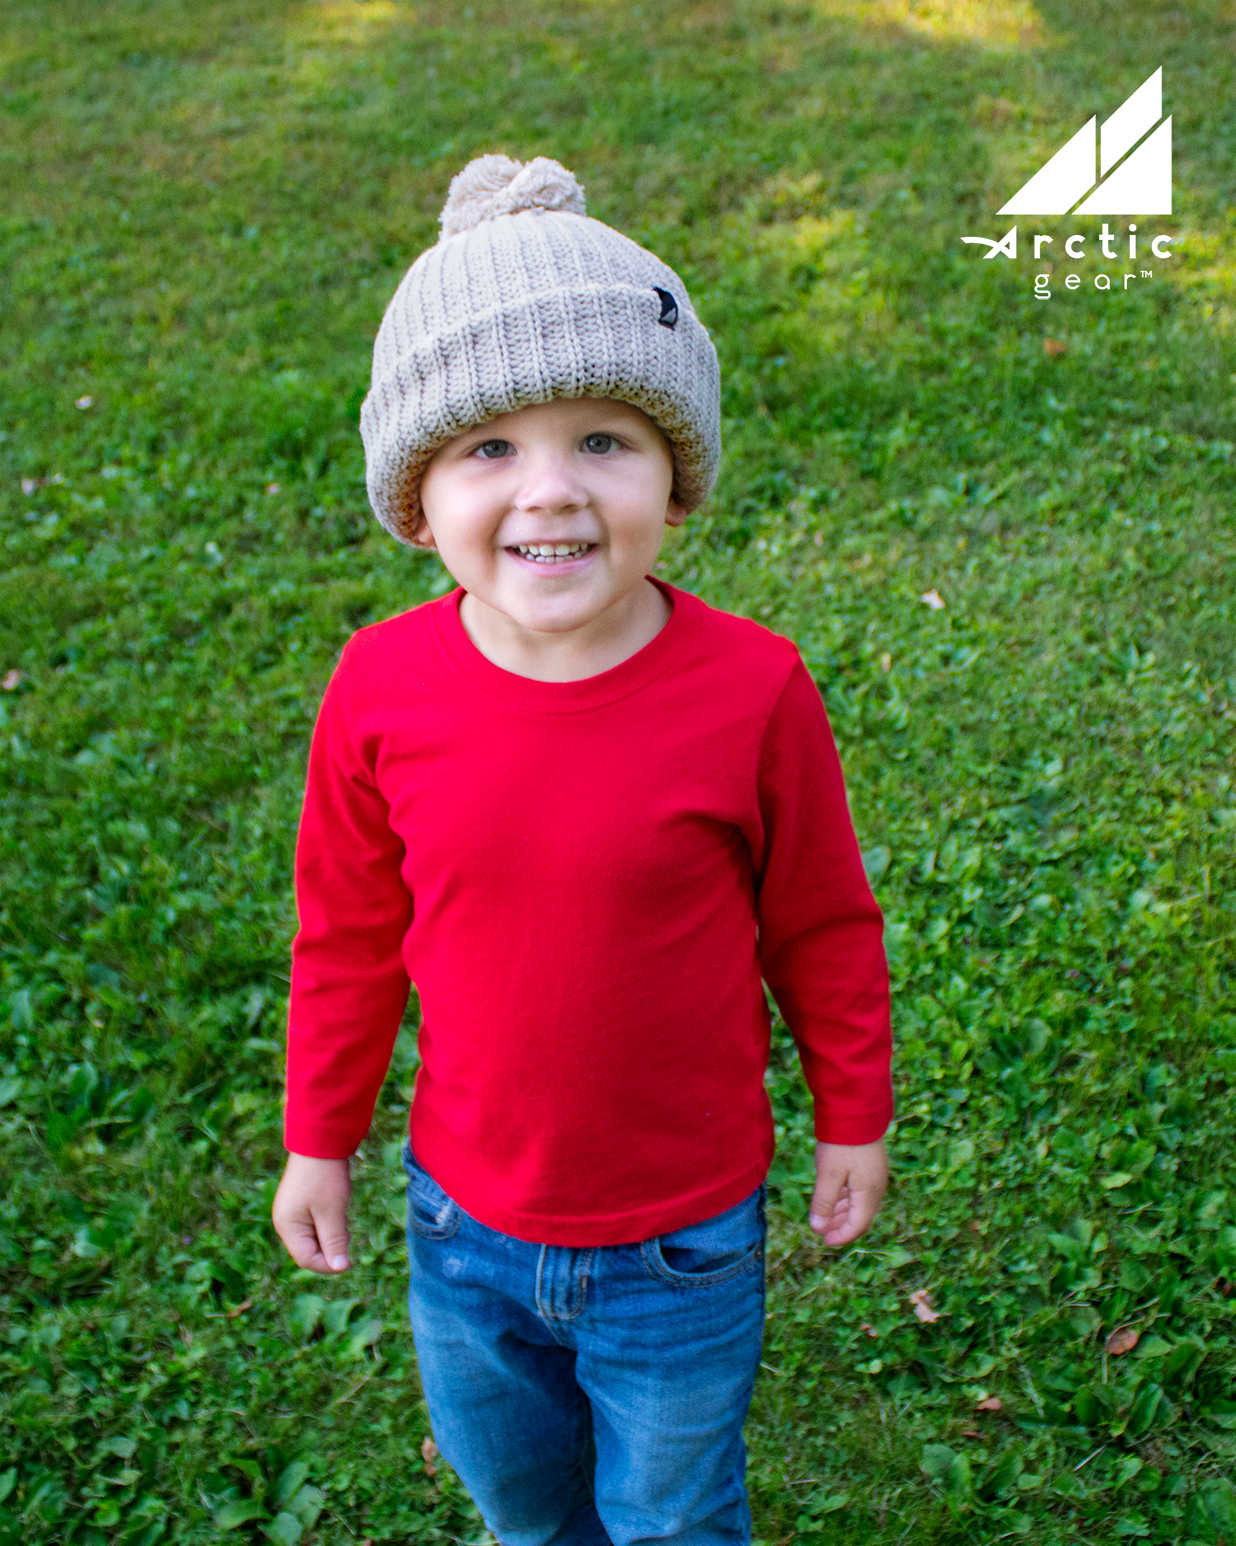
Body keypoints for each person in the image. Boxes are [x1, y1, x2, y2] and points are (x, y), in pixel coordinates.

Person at [272, 153, 893, 1546]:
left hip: (682, 1242)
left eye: (604, 439)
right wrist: (323, 1138)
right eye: (490, 448)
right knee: (527, 1509)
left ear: (677, 479)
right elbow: (350, 937)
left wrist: (854, 1111)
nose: (549, 491)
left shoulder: (751, 691)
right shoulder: (379, 691)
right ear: (416, 497)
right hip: (465, 1232)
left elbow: (821, 925)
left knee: (671, 1515)